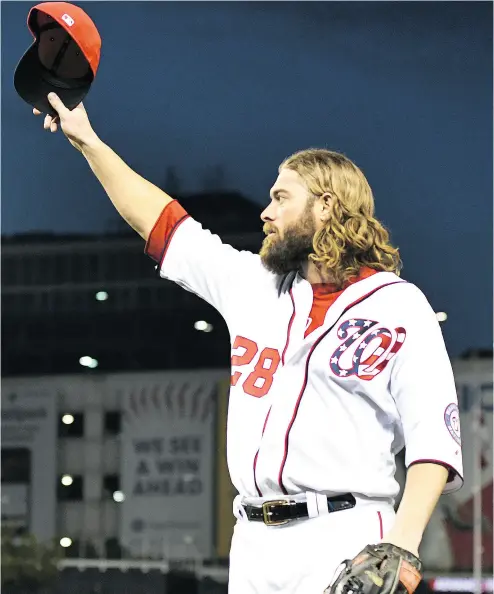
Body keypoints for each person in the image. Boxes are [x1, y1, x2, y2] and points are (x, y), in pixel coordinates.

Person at [33, 94, 463, 594]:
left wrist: (402, 546)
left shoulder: (397, 305)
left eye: (281, 197)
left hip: (346, 536)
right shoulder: (254, 285)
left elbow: (433, 439)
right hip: (254, 544)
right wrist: (88, 140)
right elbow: (165, 224)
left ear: (326, 205)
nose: (266, 211)